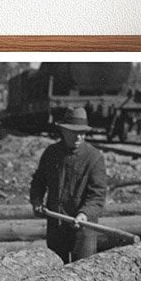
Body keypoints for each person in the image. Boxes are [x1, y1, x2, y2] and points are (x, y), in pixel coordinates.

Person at [29, 106, 108, 262]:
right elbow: (39, 181)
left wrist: (84, 214)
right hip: (56, 226)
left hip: (83, 229)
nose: (79, 137)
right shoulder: (51, 153)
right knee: (57, 269)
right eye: (74, 132)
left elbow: (97, 195)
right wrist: (36, 200)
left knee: (83, 270)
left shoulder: (94, 157)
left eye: (82, 133)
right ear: (63, 131)